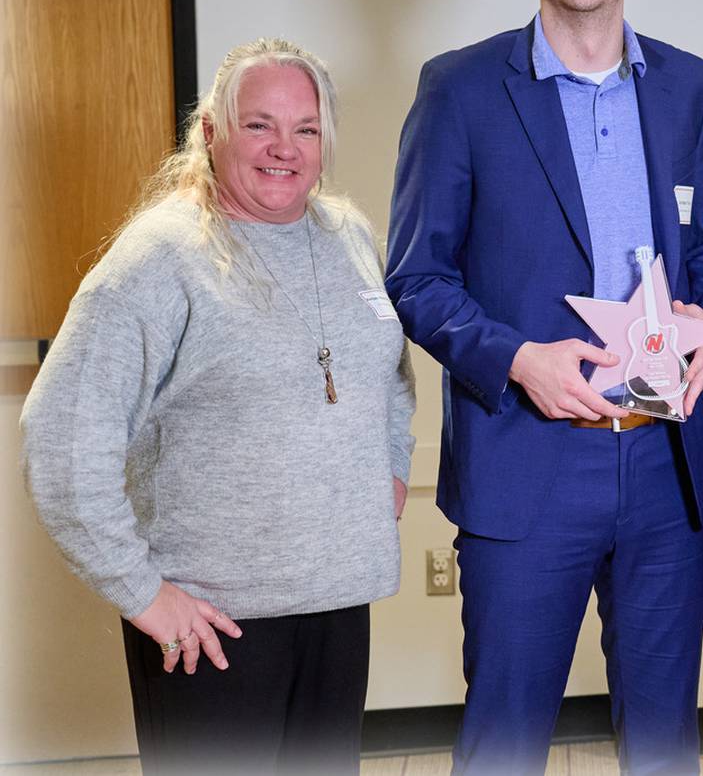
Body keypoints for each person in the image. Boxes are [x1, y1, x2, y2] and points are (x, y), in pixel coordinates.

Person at [384, 0, 703, 775]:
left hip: (667, 460)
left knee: (665, 745)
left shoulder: (689, 85)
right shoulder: (459, 90)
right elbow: (417, 278)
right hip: (528, 460)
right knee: (503, 742)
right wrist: (516, 360)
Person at [21, 38, 416, 774]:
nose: (284, 149)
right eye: (259, 124)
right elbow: (62, 436)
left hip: (336, 603)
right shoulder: (160, 258)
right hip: (214, 622)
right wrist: (143, 595)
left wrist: (389, 466)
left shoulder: (349, 236)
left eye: (305, 129)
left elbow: (388, 374)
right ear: (210, 131)